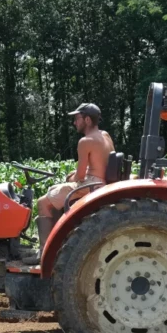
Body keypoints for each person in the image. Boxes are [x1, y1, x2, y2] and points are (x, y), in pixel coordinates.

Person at [36, 103, 115, 250]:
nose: (74, 122)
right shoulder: (105, 136)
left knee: (42, 203)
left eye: (77, 118)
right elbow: (100, 165)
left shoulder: (85, 142)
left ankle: (44, 251)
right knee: (55, 189)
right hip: (100, 182)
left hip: (91, 185)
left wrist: (70, 177)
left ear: (87, 120)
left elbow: (79, 176)